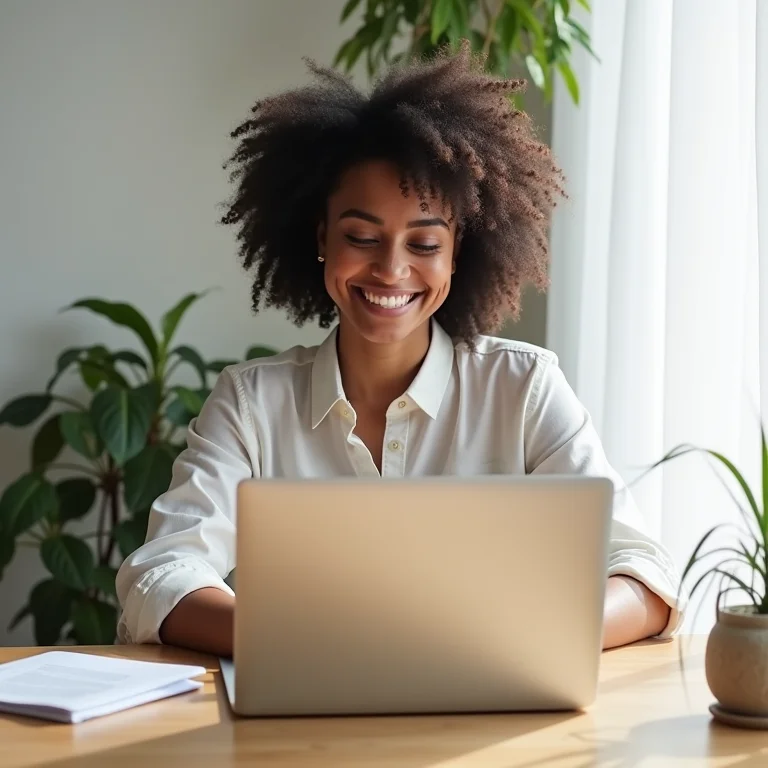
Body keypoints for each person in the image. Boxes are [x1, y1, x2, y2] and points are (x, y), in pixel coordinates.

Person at [116, 42, 684, 657]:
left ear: (457, 253)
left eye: (423, 244)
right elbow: (160, 576)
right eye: (362, 236)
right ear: (321, 241)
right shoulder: (252, 404)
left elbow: (645, 577)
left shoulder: (523, 390)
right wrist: (307, 645)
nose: (391, 270)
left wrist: (519, 639)